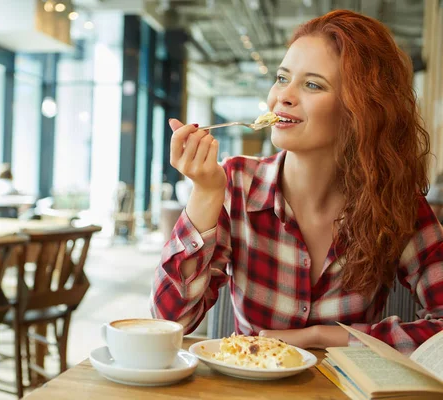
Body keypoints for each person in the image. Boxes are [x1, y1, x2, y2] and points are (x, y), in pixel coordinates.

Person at [151, 10, 443, 354]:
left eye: (312, 85)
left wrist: (322, 337)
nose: (282, 97)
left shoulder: (393, 201)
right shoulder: (235, 184)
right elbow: (170, 323)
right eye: (281, 78)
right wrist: (205, 193)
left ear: (361, 109)